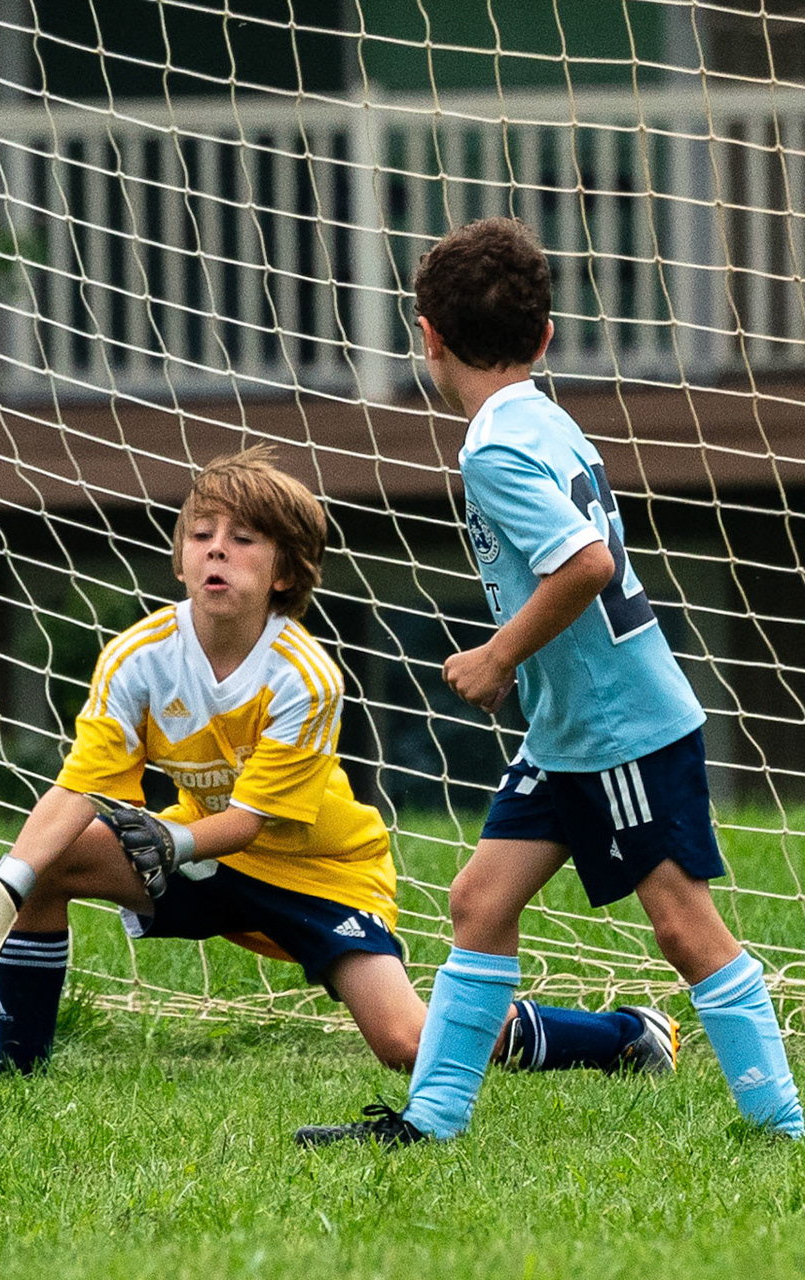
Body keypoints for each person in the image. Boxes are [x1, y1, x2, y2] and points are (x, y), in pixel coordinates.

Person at [0, 448, 673, 1079]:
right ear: (180, 558)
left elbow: (249, 821)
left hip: (319, 873)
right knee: (48, 863)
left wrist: (171, 843)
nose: (216, 548)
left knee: (408, 1044)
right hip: (198, 851)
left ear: (285, 571)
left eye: (243, 539)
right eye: (200, 533)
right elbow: (81, 786)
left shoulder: (301, 675)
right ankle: (18, 1069)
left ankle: (622, 1037)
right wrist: (6, 885)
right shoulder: (136, 658)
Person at [296, 217, 802, 1147]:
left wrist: (497, 656)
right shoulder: (542, 417)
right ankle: (428, 1123)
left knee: (685, 928)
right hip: (570, 732)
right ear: (544, 339)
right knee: (478, 902)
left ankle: (784, 1126)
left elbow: (584, 565)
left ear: (429, 336)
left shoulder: (492, 449)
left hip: (620, 729)